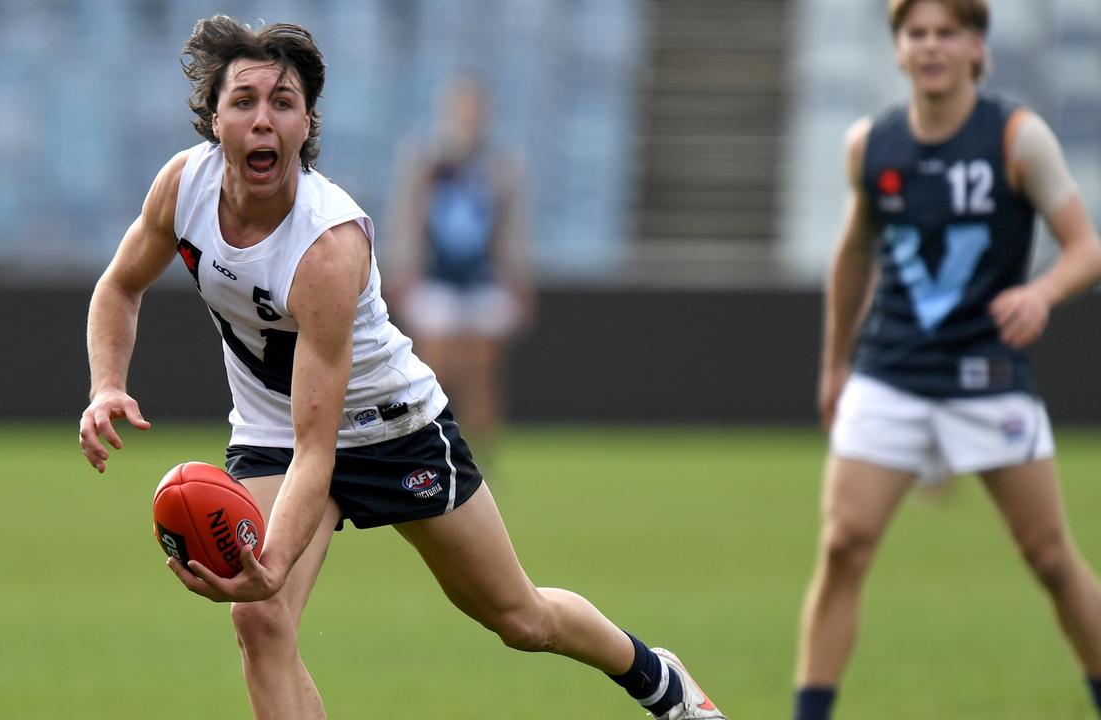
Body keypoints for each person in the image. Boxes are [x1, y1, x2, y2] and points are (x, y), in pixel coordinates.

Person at [77, 16, 725, 720]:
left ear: (306, 124)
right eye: (244, 102)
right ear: (213, 120)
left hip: (390, 429)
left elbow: (319, 452)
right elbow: (119, 286)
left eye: (283, 103)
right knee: (261, 624)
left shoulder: (327, 246)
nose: (263, 120)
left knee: (519, 618)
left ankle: (659, 680)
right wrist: (106, 384)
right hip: (273, 432)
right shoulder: (182, 187)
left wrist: (271, 568)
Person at [792, 1, 1101, 718]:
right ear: (898, 51)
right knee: (843, 545)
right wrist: (835, 365)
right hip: (889, 373)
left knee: (1051, 559)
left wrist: (1043, 293)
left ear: (975, 47)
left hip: (988, 378)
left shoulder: (1017, 139)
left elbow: (1087, 249)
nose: (930, 46)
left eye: (946, 33)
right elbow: (852, 257)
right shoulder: (870, 145)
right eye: (916, 34)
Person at [384, 76, 535, 462]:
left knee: (482, 370)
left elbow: (507, 227)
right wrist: (406, 268)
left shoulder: (498, 164)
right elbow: (410, 217)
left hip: (481, 281)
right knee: (435, 368)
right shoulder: (428, 162)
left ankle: (479, 455)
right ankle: (430, 447)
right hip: (437, 279)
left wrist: (515, 278)